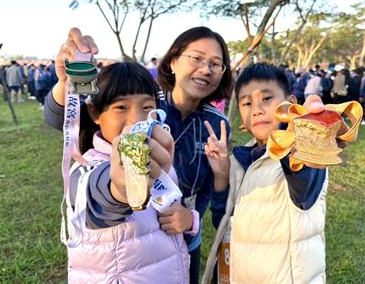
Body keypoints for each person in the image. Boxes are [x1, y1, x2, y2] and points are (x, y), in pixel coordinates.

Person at [45, 26, 233, 283]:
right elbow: (71, 120)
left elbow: (208, 188)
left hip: (180, 239)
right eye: (197, 58)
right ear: (174, 61)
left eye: (216, 63)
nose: (206, 69)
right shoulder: (150, 98)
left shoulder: (217, 122)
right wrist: (67, 81)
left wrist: (191, 220)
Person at [202, 63, 348, 283]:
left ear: (291, 103)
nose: (257, 109)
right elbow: (220, 223)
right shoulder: (239, 160)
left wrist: (311, 134)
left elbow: (305, 183)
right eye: (247, 103)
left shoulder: (297, 154)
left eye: (267, 99)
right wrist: (222, 175)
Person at [63, 62, 190, 282]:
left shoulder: (157, 157)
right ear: (95, 112)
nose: (136, 119)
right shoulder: (85, 170)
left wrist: (189, 220)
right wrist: (122, 188)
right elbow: (99, 199)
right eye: (121, 107)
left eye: (147, 107)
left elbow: (174, 204)